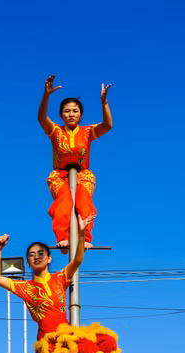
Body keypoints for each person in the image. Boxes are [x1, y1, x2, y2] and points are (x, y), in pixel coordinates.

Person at [0, 215, 123, 353]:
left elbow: (77, 259)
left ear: (49, 257)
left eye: (40, 253)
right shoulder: (26, 287)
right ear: (28, 261)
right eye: (31, 254)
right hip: (50, 340)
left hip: (68, 334)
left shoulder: (60, 278)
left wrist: (83, 232)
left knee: (107, 342)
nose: (36, 256)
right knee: (87, 350)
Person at [38, 74, 112, 252]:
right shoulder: (55, 131)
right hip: (59, 175)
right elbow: (41, 118)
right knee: (64, 201)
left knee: (83, 201)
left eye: (75, 111)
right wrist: (46, 95)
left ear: (81, 115)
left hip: (83, 174)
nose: (71, 114)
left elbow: (107, 125)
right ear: (61, 115)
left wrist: (104, 103)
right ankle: (63, 238)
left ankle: (84, 236)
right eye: (67, 111)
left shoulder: (87, 132)